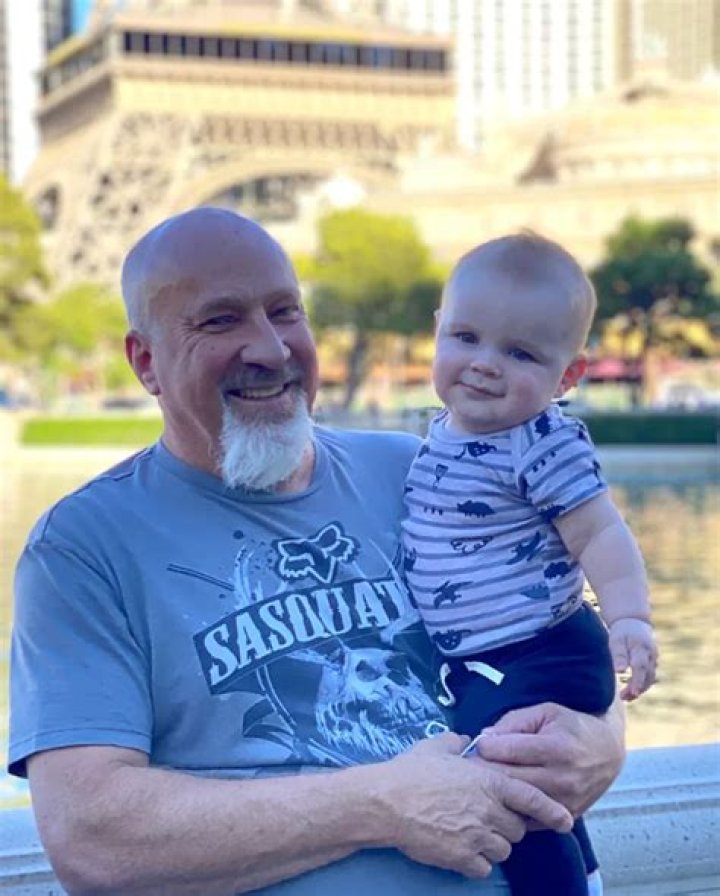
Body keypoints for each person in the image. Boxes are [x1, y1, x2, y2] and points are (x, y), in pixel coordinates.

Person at [9, 208, 625, 896]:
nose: (270, 350)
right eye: (221, 321)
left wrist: (601, 739)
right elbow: (92, 838)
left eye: (285, 312)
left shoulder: (423, 472)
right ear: (146, 362)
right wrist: (379, 807)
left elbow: (562, 620)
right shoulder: (82, 549)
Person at [401, 232, 658, 896]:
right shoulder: (440, 432)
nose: (484, 364)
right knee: (537, 783)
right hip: (496, 657)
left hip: (544, 650)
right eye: (466, 338)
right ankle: (588, 875)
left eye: (519, 353)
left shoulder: (540, 443)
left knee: (504, 783)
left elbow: (601, 534)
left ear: (567, 377)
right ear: (437, 331)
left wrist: (630, 618)